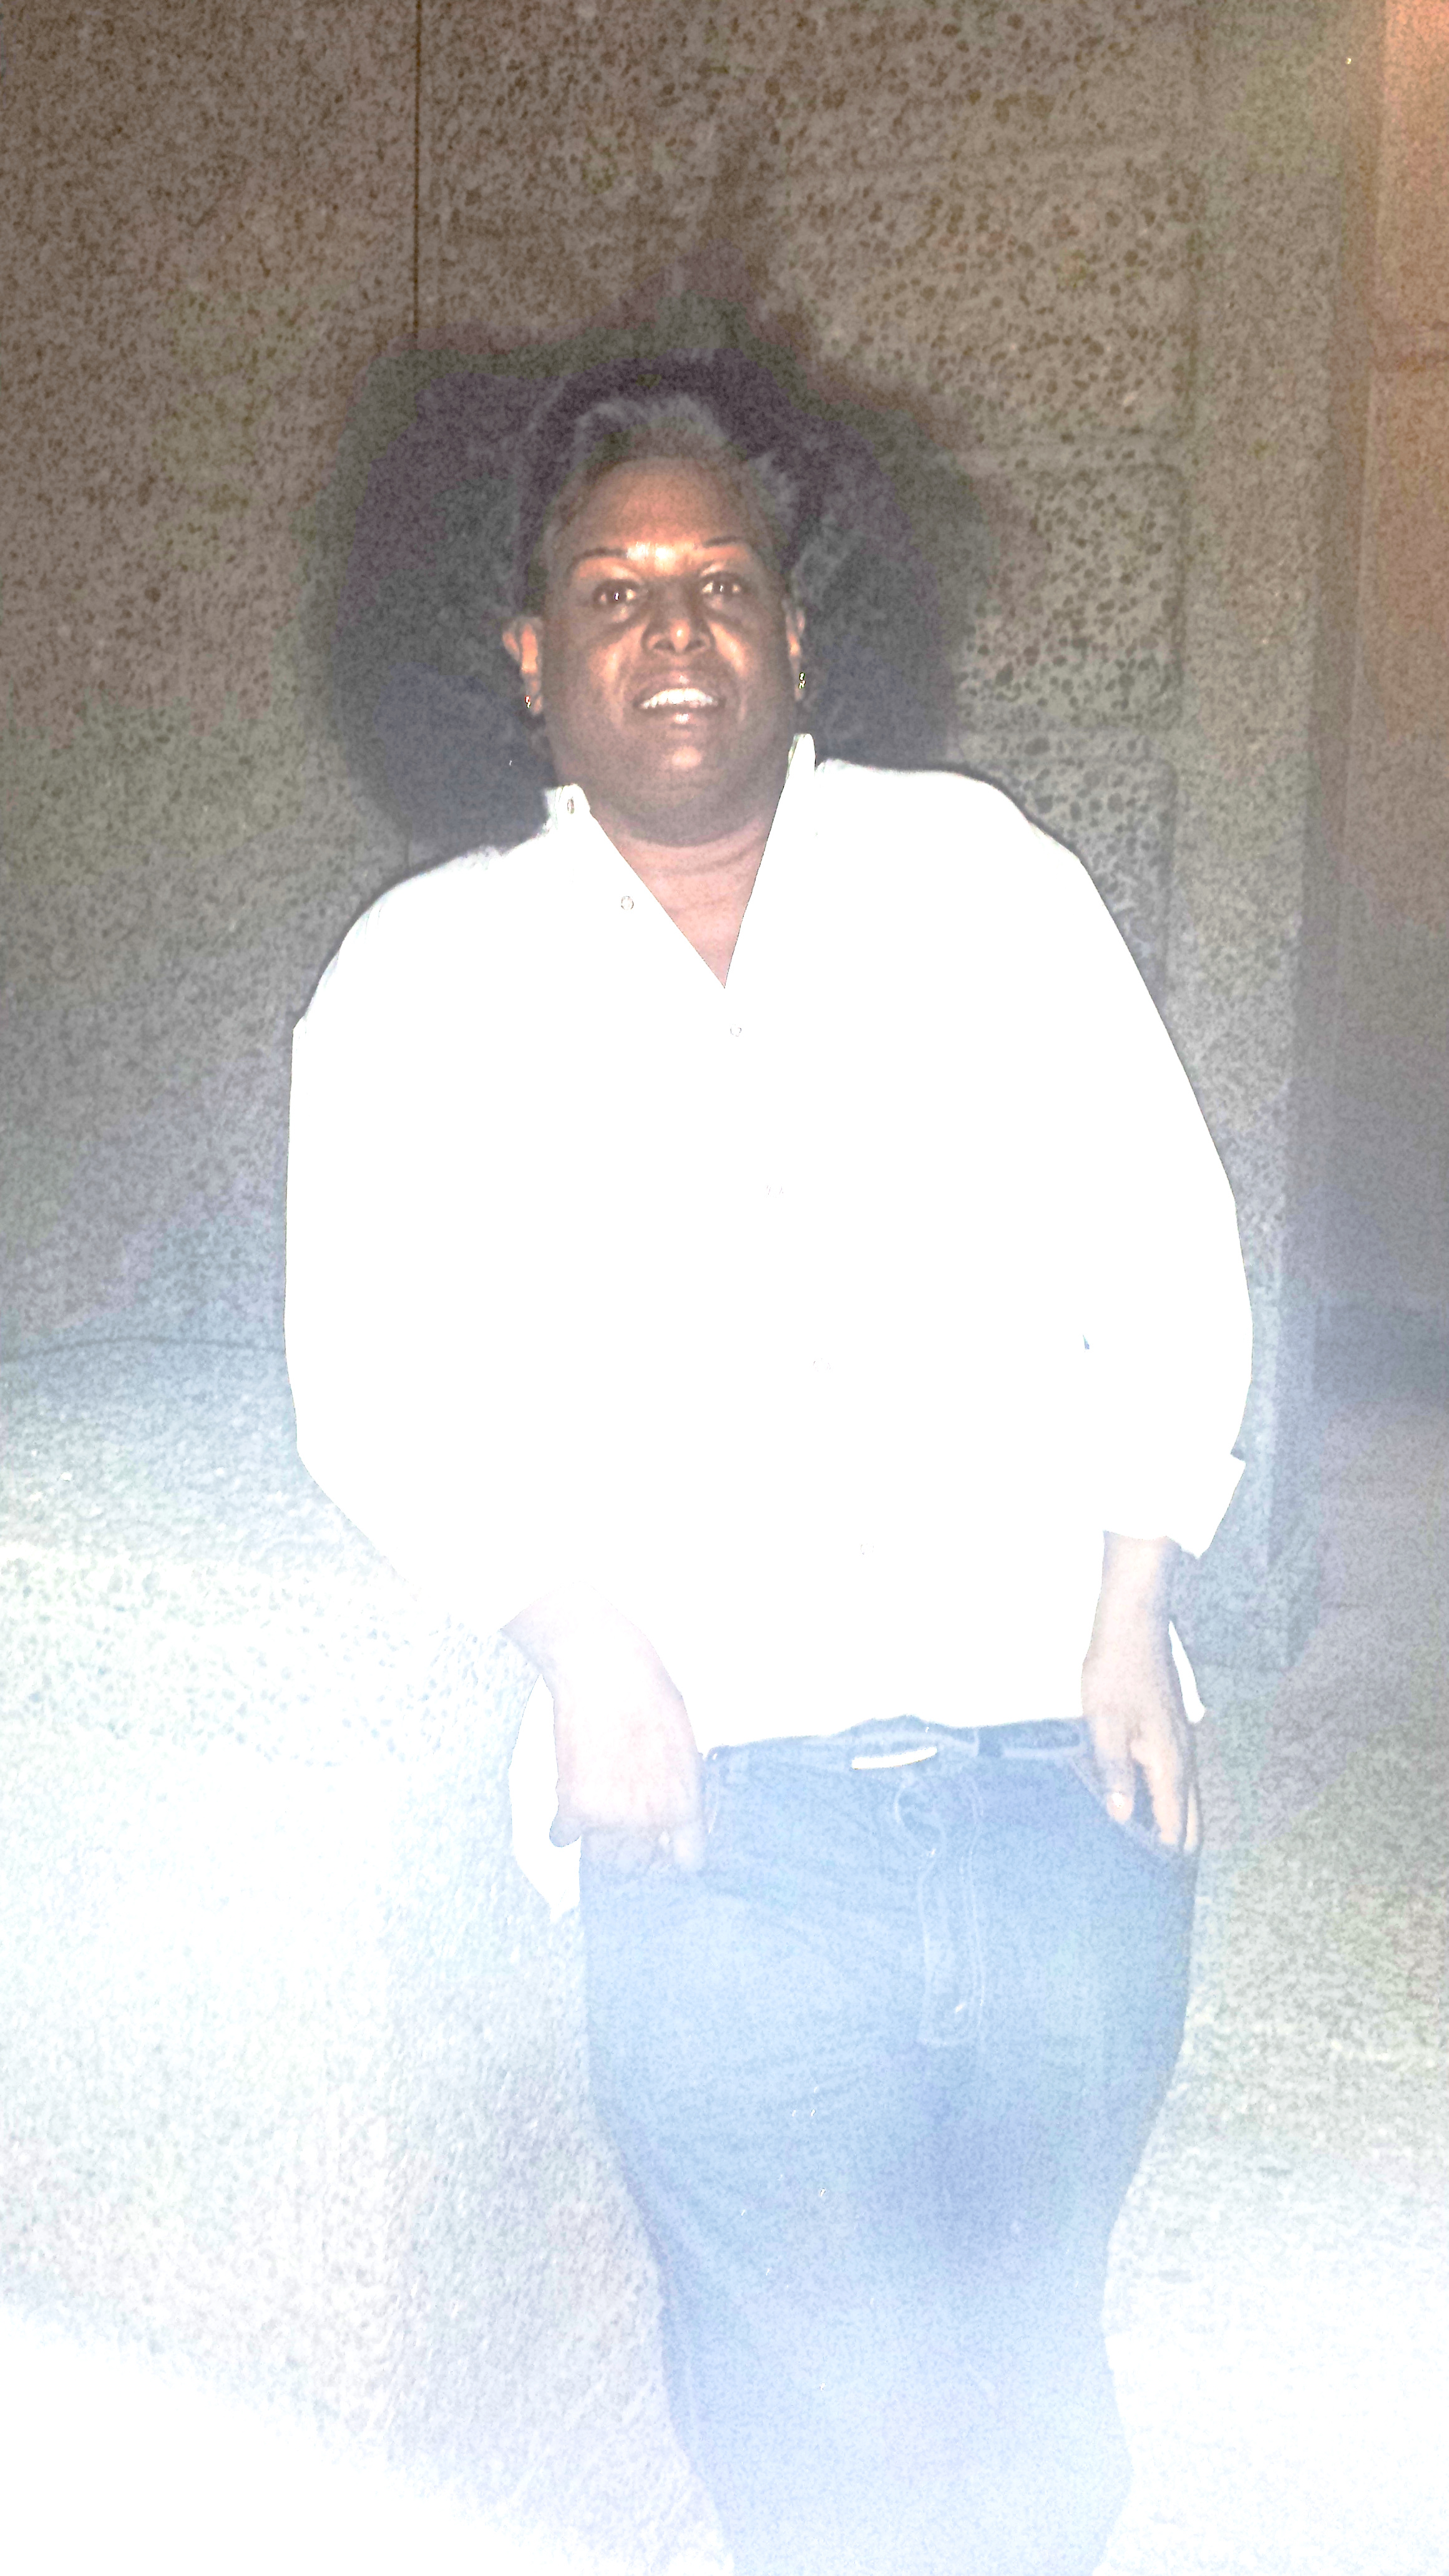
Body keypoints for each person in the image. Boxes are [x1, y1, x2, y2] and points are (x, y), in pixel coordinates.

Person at [286, 350, 1252, 2576]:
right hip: (715, 1820)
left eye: (717, 581)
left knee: (1028, 2392)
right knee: (816, 2422)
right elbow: (371, 1377)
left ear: (795, 637)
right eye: (612, 590)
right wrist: (572, 1638)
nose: (672, 628)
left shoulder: (975, 879)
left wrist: (1134, 1601)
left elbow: (1165, 1241)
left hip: (1059, 1781)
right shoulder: (424, 980)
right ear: (530, 656)